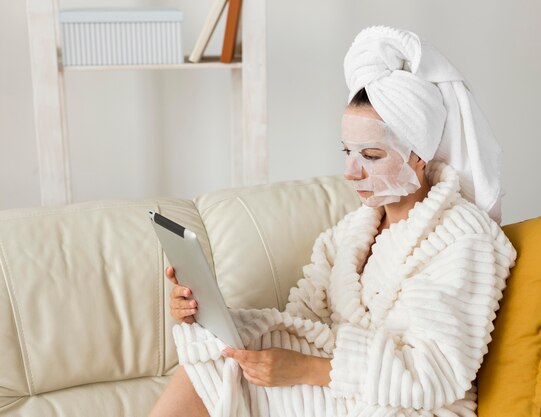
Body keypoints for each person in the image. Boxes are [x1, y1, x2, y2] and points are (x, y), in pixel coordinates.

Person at [148, 25, 517, 417]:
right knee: (217, 353)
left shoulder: (464, 239)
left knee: (218, 369)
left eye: (371, 156)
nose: (351, 172)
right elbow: (301, 323)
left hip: (407, 405)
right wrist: (205, 314)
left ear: (419, 156)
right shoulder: (347, 236)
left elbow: (433, 374)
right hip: (341, 388)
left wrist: (304, 369)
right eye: (347, 152)